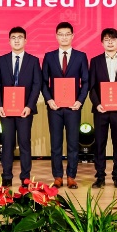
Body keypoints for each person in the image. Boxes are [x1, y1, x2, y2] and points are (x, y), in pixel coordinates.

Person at [41, 22, 89, 189]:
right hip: (54, 108)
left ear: (72, 36)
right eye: (61, 34)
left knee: (73, 143)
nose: (64, 37)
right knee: (56, 143)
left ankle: (71, 176)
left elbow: (86, 81)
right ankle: (57, 177)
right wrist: (49, 100)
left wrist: (80, 101)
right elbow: (43, 82)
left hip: (73, 108)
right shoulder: (49, 56)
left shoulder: (81, 56)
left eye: (67, 34)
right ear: (56, 36)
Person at [0, 26, 42, 187]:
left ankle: (25, 177)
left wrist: (29, 106)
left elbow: (37, 85)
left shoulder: (33, 61)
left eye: (20, 37)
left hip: (24, 110)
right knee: (7, 143)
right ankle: (6, 176)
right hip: (6, 110)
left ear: (25, 41)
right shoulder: (2, 60)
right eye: (13, 38)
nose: (16, 40)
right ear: (9, 41)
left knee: (24, 143)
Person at [88, 28, 117, 189]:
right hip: (101, 109)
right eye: (106, 40)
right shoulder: (95, 61)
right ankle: (100, 176)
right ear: (102, 43)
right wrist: (97, 104)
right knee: (99, 143)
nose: (110, 42)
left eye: (112, 40)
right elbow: (91, 86)